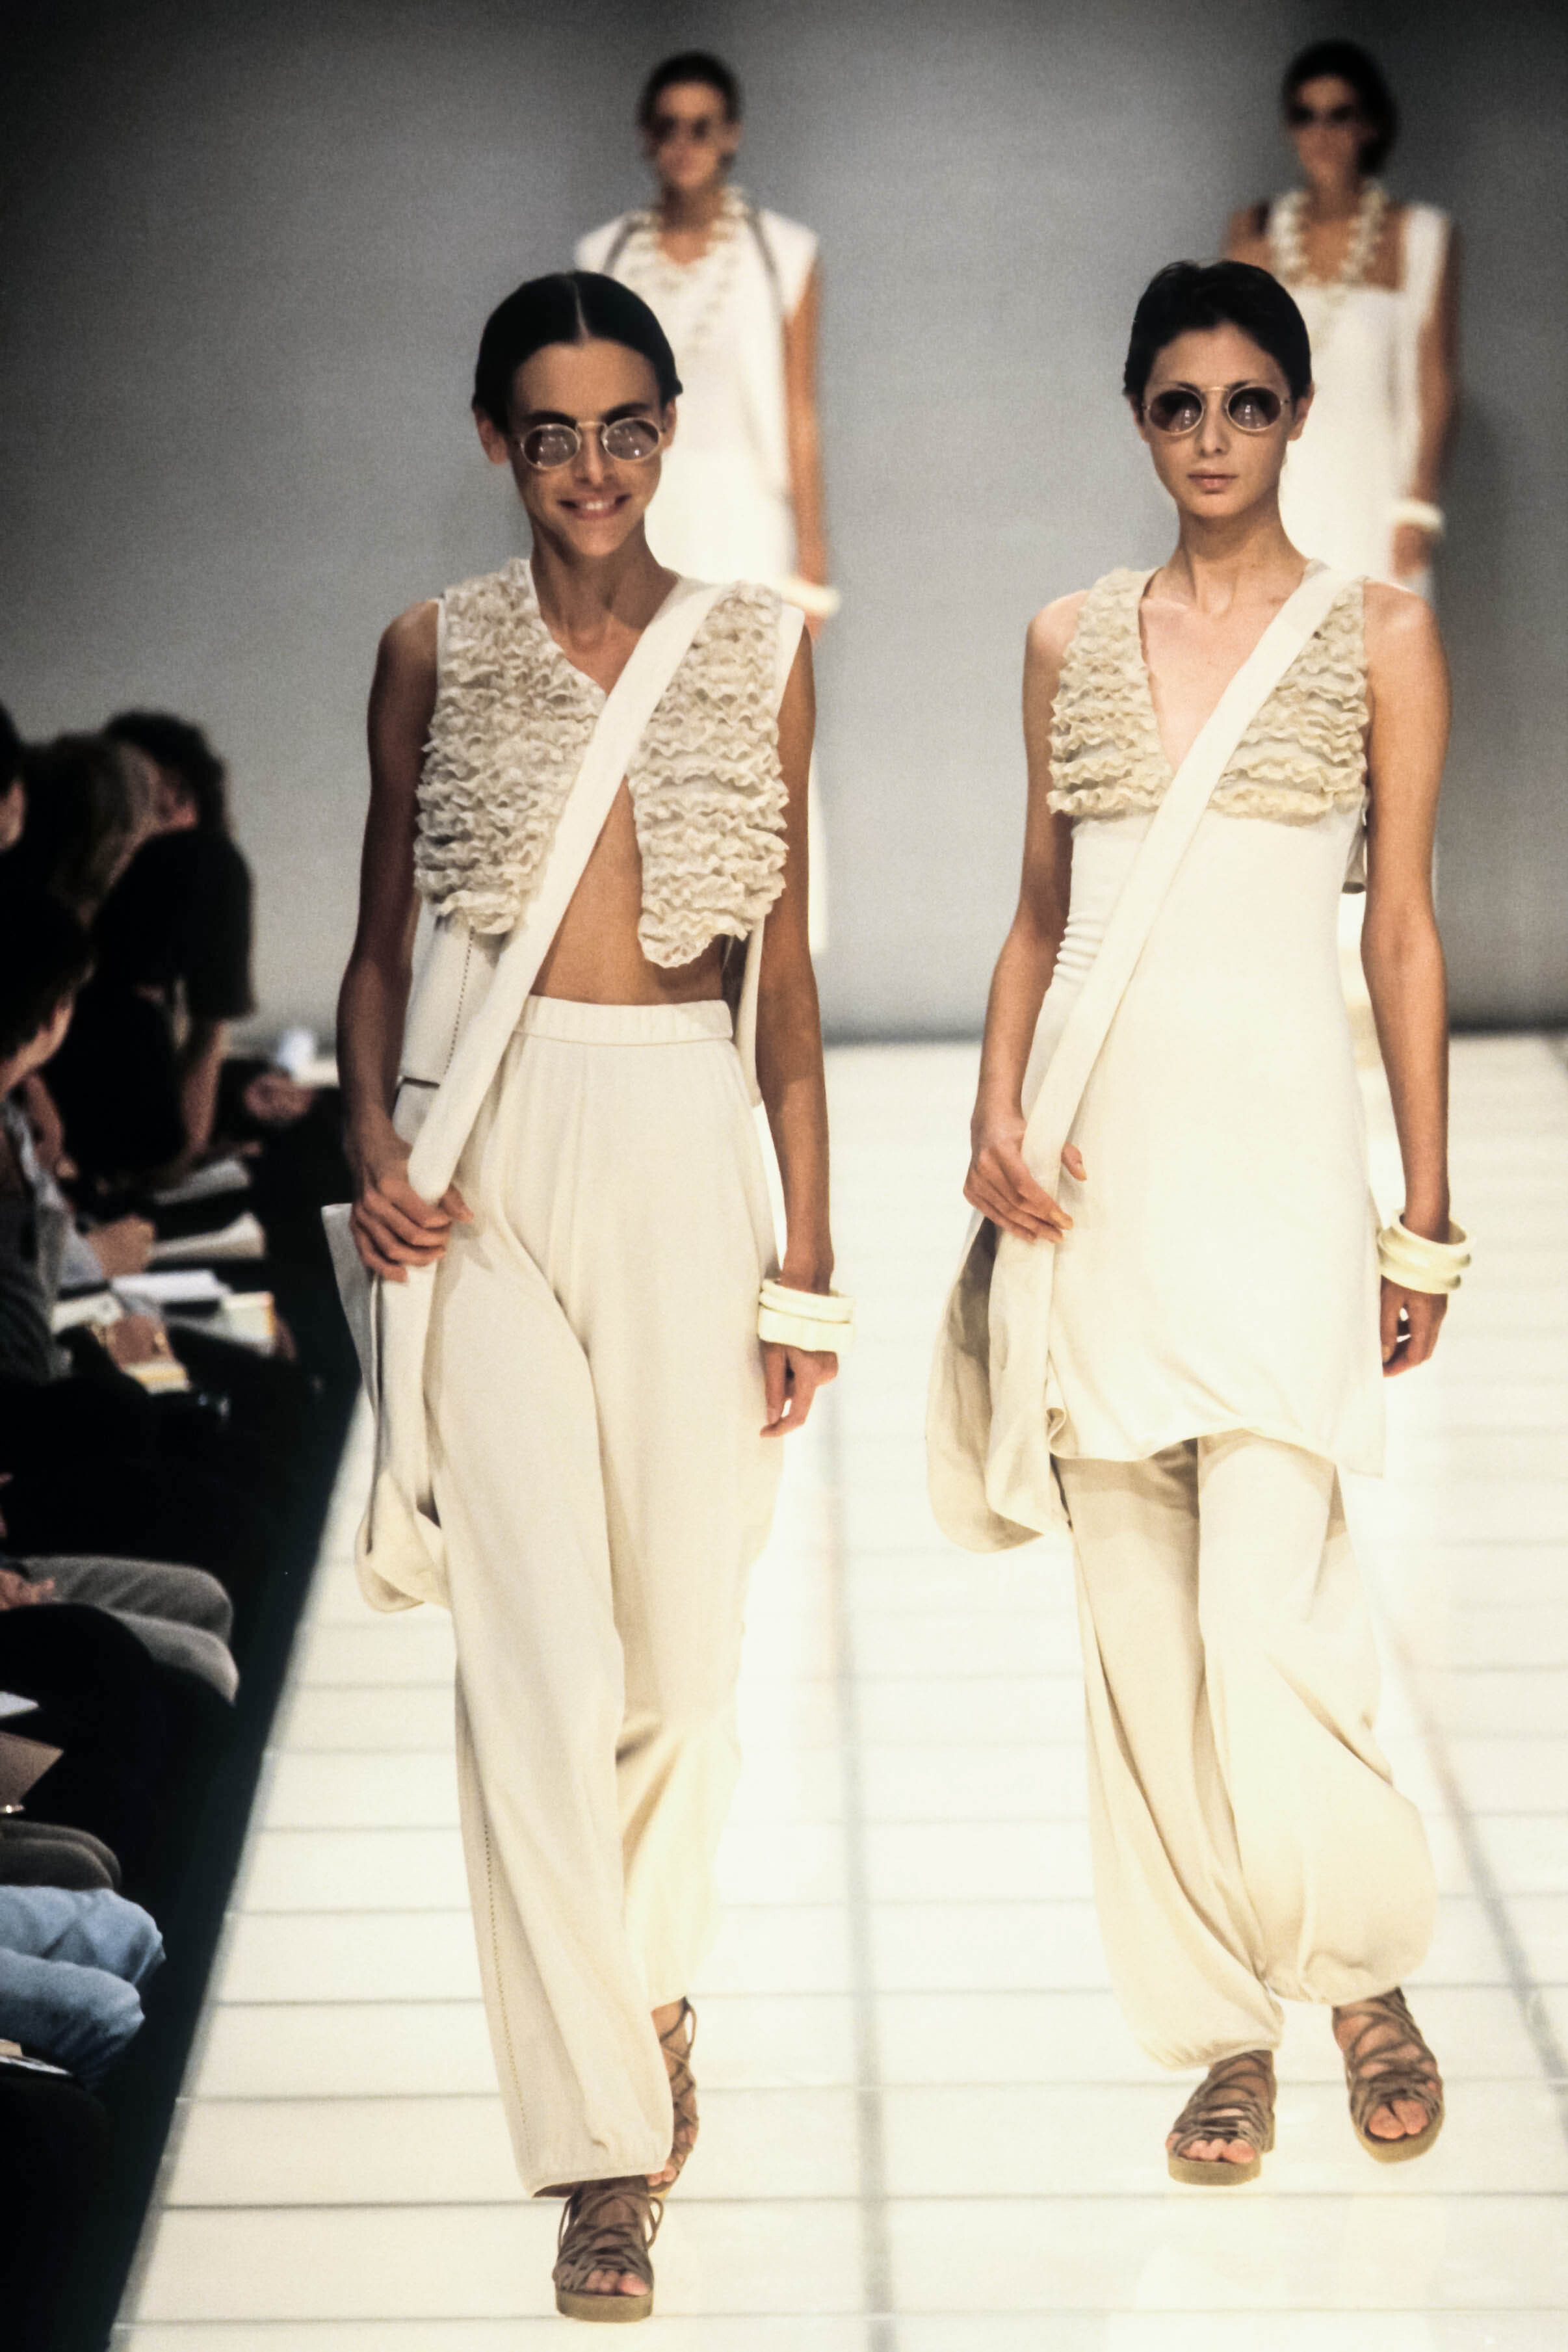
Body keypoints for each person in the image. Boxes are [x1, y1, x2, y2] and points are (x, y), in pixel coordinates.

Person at [336, 269, 843, 2321]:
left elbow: (785, 981)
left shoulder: (762, 649)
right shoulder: (426, 647)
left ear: (670, 429)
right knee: (535, 1672)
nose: (592, 468)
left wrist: (808, 1255)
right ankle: (601, 2157)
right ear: (497, 441)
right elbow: (380, 941)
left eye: (625, 427)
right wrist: (369, 1141)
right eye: (550, 434)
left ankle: (649, 1992)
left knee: (685, 1679)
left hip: (682, 1144)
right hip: (484, 1153)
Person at [932, 259, 1459, 2185]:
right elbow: (1036, 912)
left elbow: (1401, 931)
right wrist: (993, 1107)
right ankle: (1221, 2029)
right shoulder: (1065, 635)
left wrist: (1426, 1207)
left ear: (1299, 413)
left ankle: (1362, 1975)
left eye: (1246, 400)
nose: (1213, 435)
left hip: (1283, 1161)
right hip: (1094, 1163)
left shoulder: (1377, 632)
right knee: (1140, 1626)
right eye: (1178, 402)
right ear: (1138, 418)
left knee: (1270, 1601)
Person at [578, 51, 832, 950]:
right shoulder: (604, 257)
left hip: (746, 522)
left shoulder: (783, 253)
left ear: (731, 136)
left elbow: (799, 408)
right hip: (634, 517)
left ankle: (765, 955)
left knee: (752, 737)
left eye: (701, 127)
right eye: (668, 127)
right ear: (645, 137)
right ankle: (638, 950)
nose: (683, 145)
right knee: (635, 731)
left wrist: (813, 561)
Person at [1225, 40, 1458, 597]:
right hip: (1276, 498)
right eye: (1305, 116)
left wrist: (1419, 505)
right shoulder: (1255, 229)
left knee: (1378, 644)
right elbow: (1225, 373)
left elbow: (1437, 381)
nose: (1321, 134)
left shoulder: (1419, 235)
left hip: (1376, 500)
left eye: (1339, 115)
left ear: (1371, 125)